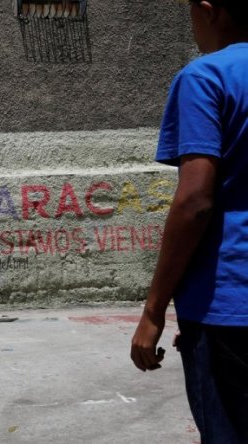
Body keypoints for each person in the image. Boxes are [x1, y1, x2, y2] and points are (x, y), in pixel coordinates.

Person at [130, 1, 248, 442]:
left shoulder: (205, 77)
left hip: (230, 303)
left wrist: (154, 311)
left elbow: (195, 201)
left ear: (209, 10)